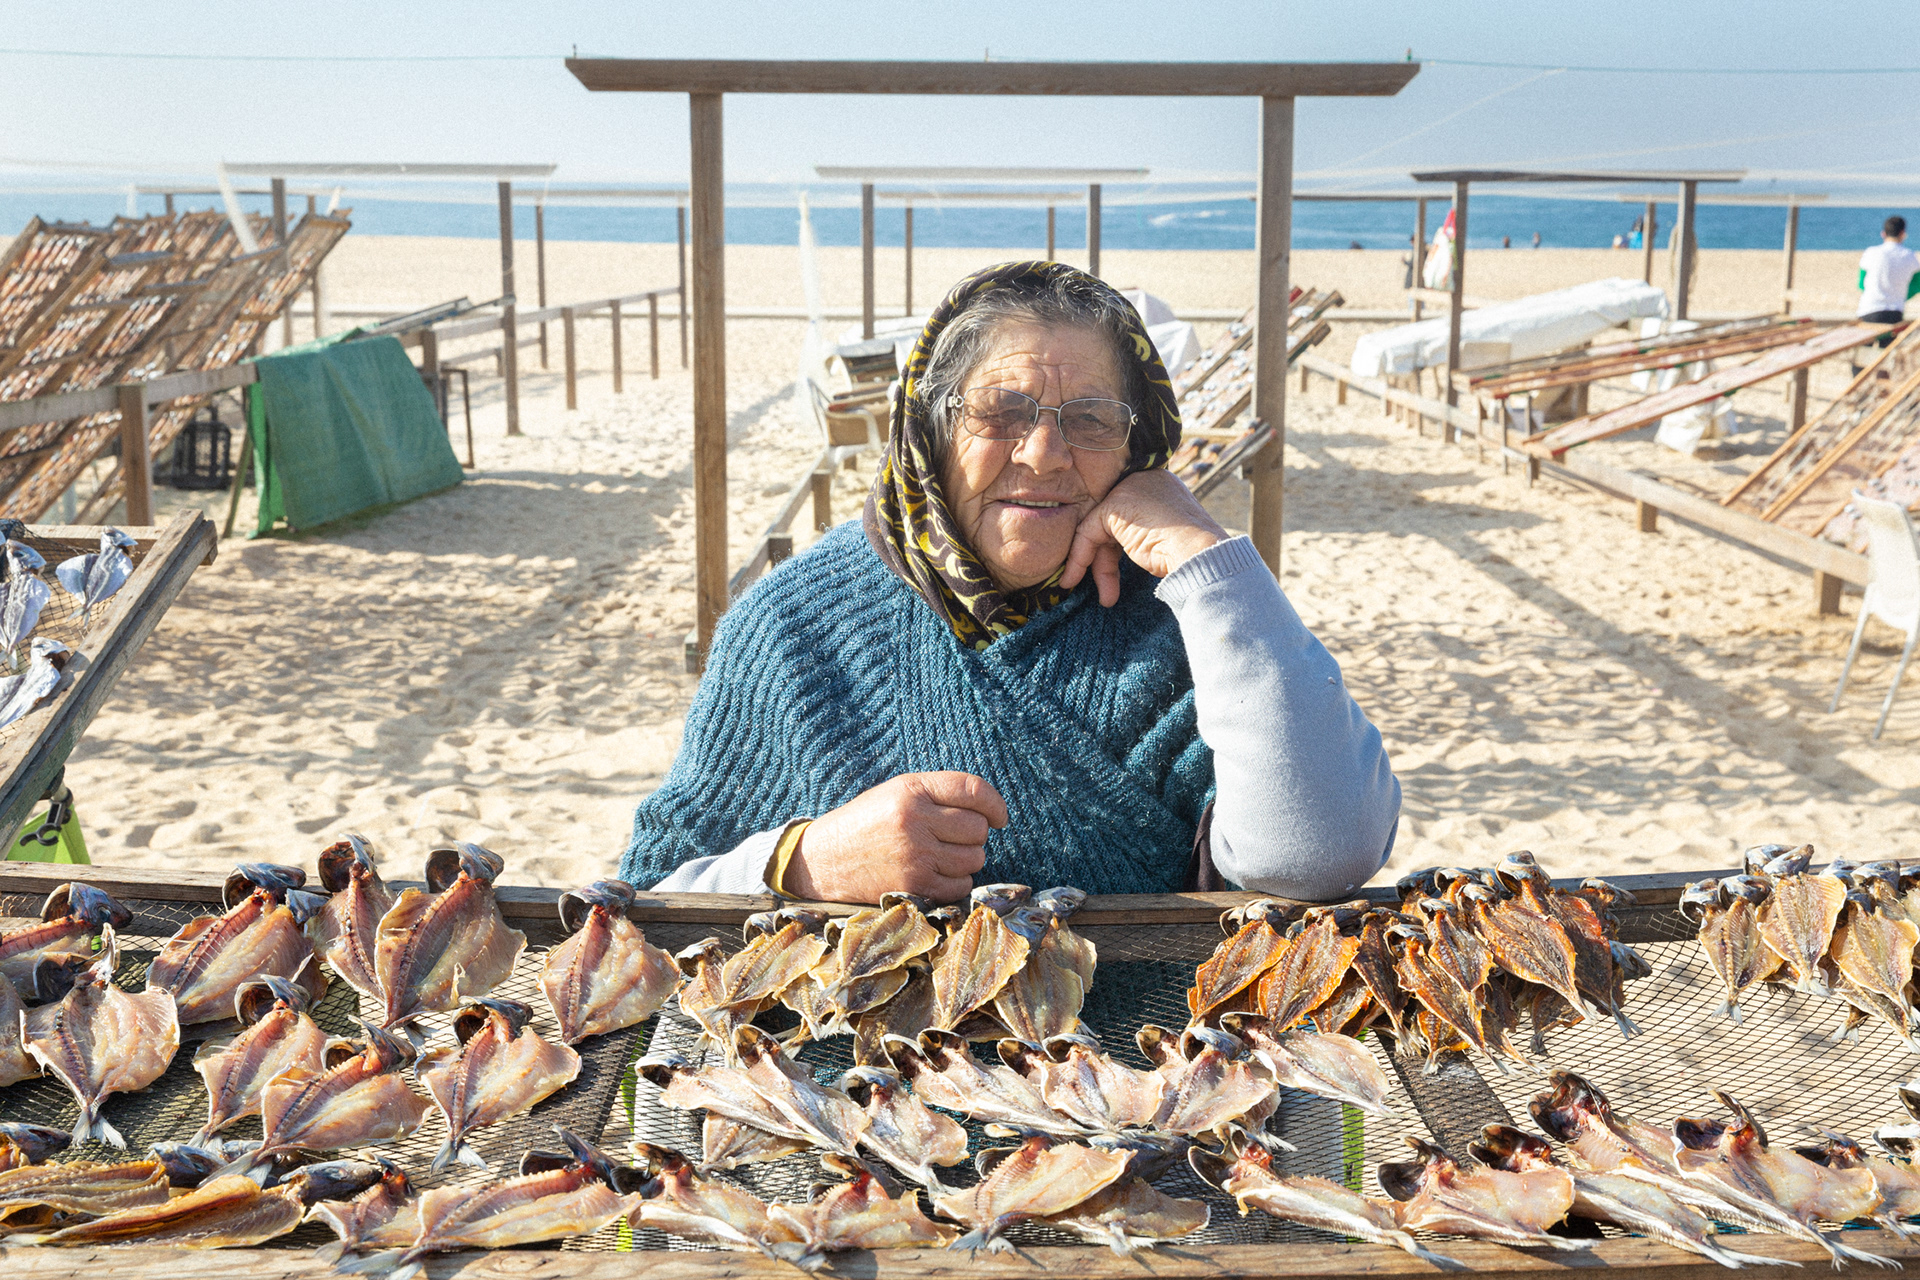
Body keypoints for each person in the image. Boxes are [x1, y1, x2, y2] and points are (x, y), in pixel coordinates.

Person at [620, 261, 1400, 904]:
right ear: (929, 427)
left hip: (1158, 1048)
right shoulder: (792, 626)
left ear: (1138, 445)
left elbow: (1318, 856)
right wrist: (802, 862)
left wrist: (1205, 552)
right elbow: (649, 897)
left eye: (1091, 419)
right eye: (1001, 412)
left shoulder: (1190, 620)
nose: (1044, 453)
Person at [1858, 215, 1920, 345]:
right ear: (1902, 234)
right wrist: (1901, 295)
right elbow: (1917, 285)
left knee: (1863, 352)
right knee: (1887, 353)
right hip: (1894, 311)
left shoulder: (1871, 253)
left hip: (1869, 308)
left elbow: (1861, 284)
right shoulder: (1909, 256)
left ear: (1883, 233)